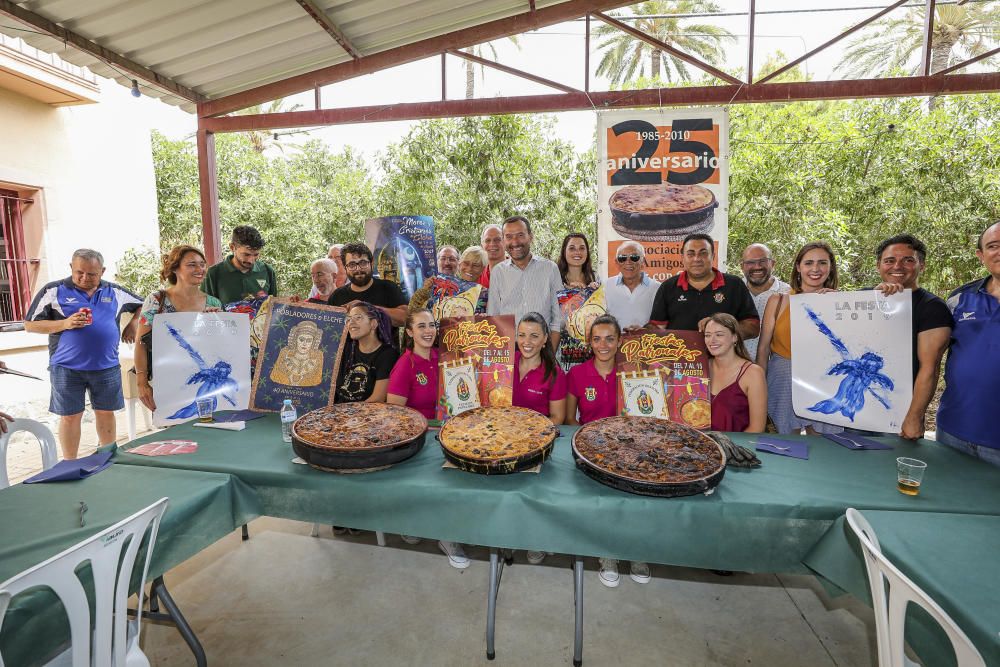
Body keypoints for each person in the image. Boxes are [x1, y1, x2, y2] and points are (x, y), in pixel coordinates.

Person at [24, 249, 142, 459]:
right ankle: (70, 462)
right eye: (79, 272)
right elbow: (30, 325)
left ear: (102, 271)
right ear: (71, 267)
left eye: (92, 274)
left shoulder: (114, 291)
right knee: (70, 417)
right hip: (67, 368)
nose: (84, 278)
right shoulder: (53, 290)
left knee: (106, 413)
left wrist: (133, 324)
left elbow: (145, 304)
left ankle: (106, 457)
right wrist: (65, 323)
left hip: (106, 366)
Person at [566, 314, 650, 588]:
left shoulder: (636, 371)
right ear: (589, 342)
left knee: (636, 502)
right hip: (593, 451)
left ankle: (637, 552)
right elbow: (569, 420)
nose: (603, 345)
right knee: (602, 501)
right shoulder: (577, 374)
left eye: (610, 339)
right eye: (597, 339)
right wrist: (589, 445)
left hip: (632, 449)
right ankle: (608, 555)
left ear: (619, 341)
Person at [756, 242, 843, 435]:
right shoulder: (778, 300)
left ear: (831, 267)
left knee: (824, 444)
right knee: (783, 443)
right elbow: (763, 349)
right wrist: (758, 387)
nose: (815, 269)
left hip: (824, 378)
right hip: (783, 375)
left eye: (822, 263)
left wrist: (837, 304)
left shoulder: (841, 303)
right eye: (809, 262)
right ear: (798, 267)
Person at [870, 234, 952, 440]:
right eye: (889, 260)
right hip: (857, 411)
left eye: (908, 260)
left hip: (899, 416)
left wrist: (914, 417)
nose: (898, 266)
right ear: (879, 265)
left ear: (921, 265)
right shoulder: (864, 298)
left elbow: (930, 369)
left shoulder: (933, 308)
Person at [936, 221, 1000, 466]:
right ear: (980, 255)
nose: (999, 251)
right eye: (992, 246)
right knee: (948, 501)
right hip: (953, 430)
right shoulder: (959, 298)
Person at [133, 245, 224, 412]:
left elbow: (219, 348)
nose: (200, 269)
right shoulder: (157, 300)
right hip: (169, 382)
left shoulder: (213, 303)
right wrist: (142, 382)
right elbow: (141, 343)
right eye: (191, 264)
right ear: (175, 268)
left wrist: (217, 323)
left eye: (202, 264)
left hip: (205, 382)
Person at [514, 312, 568, 566]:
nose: (527, 341)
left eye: (534, 336)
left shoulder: (553, 372)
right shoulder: (502, 364)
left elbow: (558, 417)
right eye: (522, 334)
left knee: (536, 494)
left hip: (537, 444)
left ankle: (537, 539)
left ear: (546, 339)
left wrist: (531, 434)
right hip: (499, 440)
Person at [649, 234, 759, 341]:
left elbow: (753, 327)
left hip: (723, 358)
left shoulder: (734, 285)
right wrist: (636, 333)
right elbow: (657, 328)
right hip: (680, 357)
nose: (697, 259)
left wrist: (722, 327)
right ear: (682, 257)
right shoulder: (668, 287)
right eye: (690, 254)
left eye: (703, 253)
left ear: (713, 256)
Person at [486, 216, 563, 350]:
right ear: (504, 240)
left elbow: (559, 318)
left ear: (530, 237)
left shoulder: (550, 268)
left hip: (543, 348)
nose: (515, 242)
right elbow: (493, 317)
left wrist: (550, 357)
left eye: (520, 235)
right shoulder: (498, 272)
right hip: (509, 350)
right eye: (509, 236)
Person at [704, 314, 766, 433]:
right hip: (699, 446)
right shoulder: (700, 367)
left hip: (736, 448)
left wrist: (728, 449)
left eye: (719, 334)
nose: (712, 340)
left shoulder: (753, 373)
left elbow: (757, 429)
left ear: (735, 337)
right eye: (707, 335)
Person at [328, 243, 408, 331]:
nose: (358, 269)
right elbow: (328, 329)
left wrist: (366, 307)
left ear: (372, 263)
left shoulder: (388, 288)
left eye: (363, 263)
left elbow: (405, 318)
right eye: (352, 265)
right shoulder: (336, 296)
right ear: (345, 267)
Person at [334, 302, 399, 404]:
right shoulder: (345, 349)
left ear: (373, 324)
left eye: (358, 317)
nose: (351, 323)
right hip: (337, 414)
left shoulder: (387, 354)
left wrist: (349, 414)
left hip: (366, 416)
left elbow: (378, 398)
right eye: (349, 319)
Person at [202, 225, 278, 306]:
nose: (251, 260)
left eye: (256, 255)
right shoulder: (213, 273)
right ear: (232, 247)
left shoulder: (267, 271)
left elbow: (273, 306)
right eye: (246, 254)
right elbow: (205, 306)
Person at [556, 233, 601, 370]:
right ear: (564, 252)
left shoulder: (596, 278)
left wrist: (590, 292)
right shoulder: (555, 278)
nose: (577, 252)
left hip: (589, 348)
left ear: (587, 252)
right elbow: (554, 318)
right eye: (572, 248)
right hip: (561, 349)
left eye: (582, 248)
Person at [740, 243, 790, 361]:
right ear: (742, 266)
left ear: (773, 264)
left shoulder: (788, 294)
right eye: (750, 262)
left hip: (774, 370)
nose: (757, 266)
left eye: (763, 261)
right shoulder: (732, 291)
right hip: (736, 369)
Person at [387, 309, 439, 420]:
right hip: (421, 432)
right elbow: (394, 414)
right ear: (410, 332)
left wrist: (480, 321)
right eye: (421, 326)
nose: (428, 331)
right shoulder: (404, 366)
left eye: (431, 325)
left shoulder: (444, 356)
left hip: (451, 428)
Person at [605, 241, 661, 331]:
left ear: (643, 261)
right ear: (616, 262)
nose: (628, 262)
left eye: (634, 257)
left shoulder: (658, 288)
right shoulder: (606, 286)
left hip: (646, 343)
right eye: (622, 258)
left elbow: (662, 323)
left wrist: (645, 330)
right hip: (614, 344)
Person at [269, 320, 325, 387]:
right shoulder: (284, 353)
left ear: (313, 343)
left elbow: (316, 382)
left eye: (309, 341)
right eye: (301, 339)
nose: (304, 344)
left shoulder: (318, 356)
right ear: (295, 340)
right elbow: (275, 378)